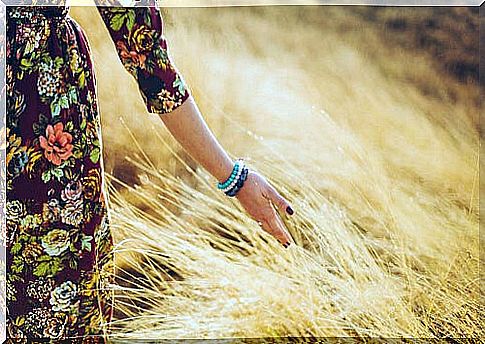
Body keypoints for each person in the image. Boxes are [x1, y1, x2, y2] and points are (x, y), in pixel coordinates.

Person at [5, 0, 294, 341]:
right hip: (43, 112)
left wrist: (233, 176)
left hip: (41, 127)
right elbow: (148, 57)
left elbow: (147, 56)